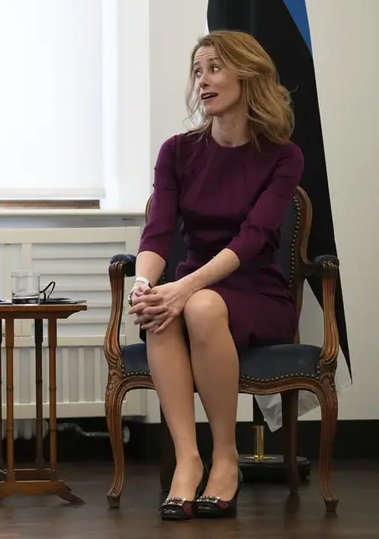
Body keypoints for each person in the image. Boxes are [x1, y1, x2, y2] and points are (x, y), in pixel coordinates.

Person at [128, 30, 302, 520]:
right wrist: (145, 286)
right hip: (193, 287)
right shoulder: (177, 151)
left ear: (248, 75)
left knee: (195, 304)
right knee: (160, 307)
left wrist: (182, 288)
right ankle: (188, 459)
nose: (203, 79)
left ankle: (226, 457)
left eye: (215, 68)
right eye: (198, 71)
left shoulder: (283, 155)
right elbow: (157, 233)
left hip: (257, 293)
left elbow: (251, 240)